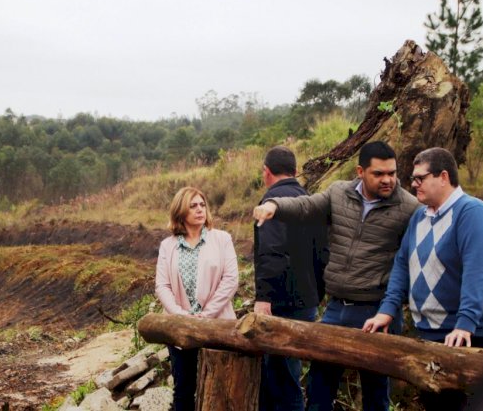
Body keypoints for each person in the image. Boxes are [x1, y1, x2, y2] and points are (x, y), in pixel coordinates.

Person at [253, 141, 419, 411]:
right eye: (379, 174)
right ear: (360, 171)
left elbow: (410, 263)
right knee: (319, 391)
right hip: (336, 309)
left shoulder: (408, 208)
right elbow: (306, 205)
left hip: (377, 312)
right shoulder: (338, 193)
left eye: (392, 172)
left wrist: (392, 308)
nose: (387, 179)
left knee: (376, 396)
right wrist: (274, 206)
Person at [363, 147, 483, 410]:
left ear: (443, 177)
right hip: (432, 334)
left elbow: (478, 272)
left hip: (474, 335)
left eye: (420, 178)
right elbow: (402, 265)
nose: (414, 184)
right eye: (413, 179)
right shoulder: (420, 216)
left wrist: (465, 323)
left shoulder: (472, 213)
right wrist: (387, 310)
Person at [254, 146, 327, 411]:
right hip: (308, 299)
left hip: (280, 303)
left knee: (284, 382)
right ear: (296, 171)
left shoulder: (269, 206)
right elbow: (324, 253)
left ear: (267, 172)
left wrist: (263, 297)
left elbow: (272, 253)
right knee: (288, 375)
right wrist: (317, 294)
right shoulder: (311, 202)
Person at [155, 186, 239, 411]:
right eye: (193, 206)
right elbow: (162, 286)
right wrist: (180, 315)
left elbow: (231, 279)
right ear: (181, 211)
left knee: (221, 387)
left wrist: (206, 315)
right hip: (181, 329)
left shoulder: (222, 239)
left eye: (202, 205)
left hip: (217, 325)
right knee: (183, 390)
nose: (200, 210)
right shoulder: (168, 246)